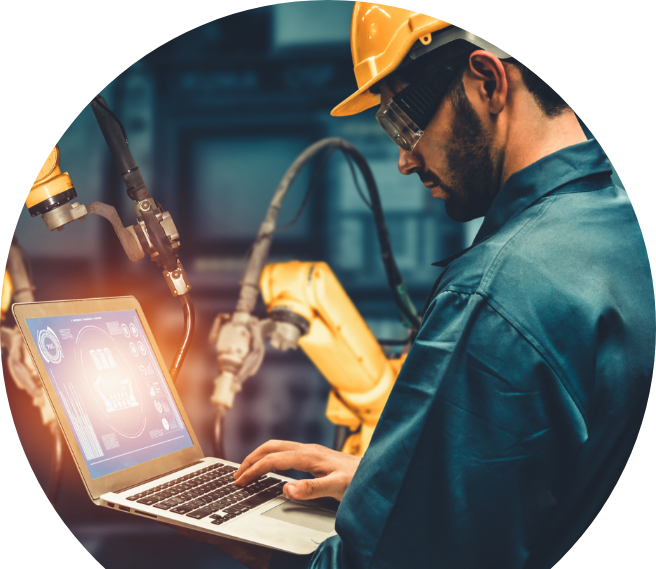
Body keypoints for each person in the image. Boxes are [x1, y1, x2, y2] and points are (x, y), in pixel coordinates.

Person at [159, 5, 656, 568]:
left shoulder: (493, 296)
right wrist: (388, 485)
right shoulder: (613, 228)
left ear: (488, 81)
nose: (403, 158)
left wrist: (263, 546)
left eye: (405, 121)